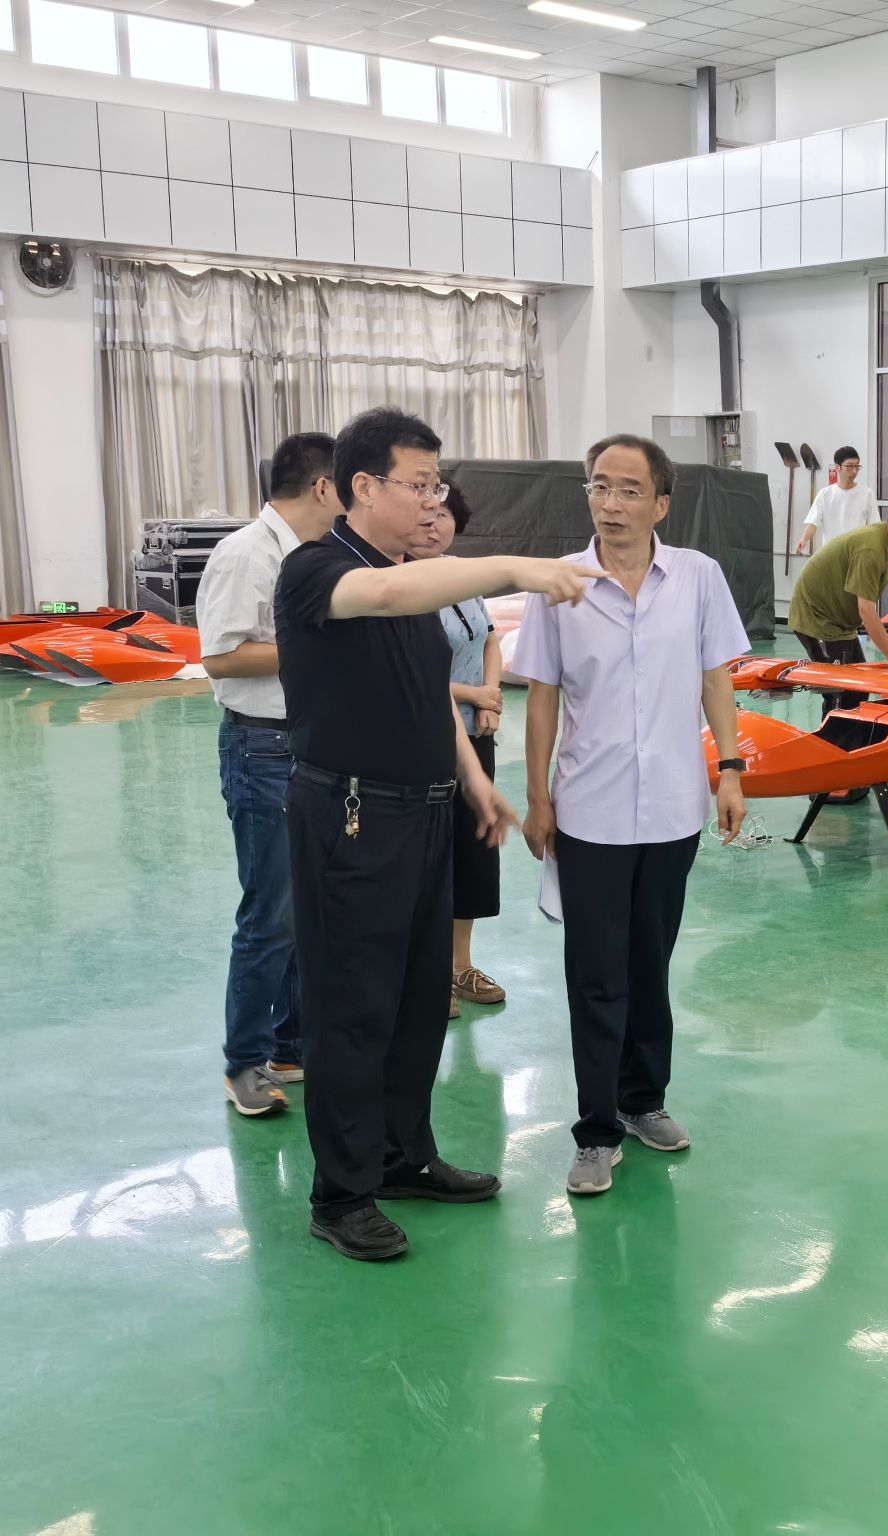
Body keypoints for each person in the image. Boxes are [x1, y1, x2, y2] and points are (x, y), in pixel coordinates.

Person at [274, 406, 604, 1262]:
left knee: (420, 1001)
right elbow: (385, 599)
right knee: (353, 1009)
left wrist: (475, 781)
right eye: (418, 484)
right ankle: (341, 1195)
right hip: (352, 819)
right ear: (362, 487)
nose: (432, 500)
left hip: (424, 811)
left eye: (436, 484)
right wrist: (517, 568)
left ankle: (401, 1158)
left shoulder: (408, 575)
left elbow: (427, 695)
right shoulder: (318, 570)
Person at [516, 433, 750, 1199]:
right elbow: (542, 695)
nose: (609, 503)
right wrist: (539, 797)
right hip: (590, 810)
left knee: (650, 964)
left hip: (675, 807)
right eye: (598, 486)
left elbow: (715, 679)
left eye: (627, 490)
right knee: (595, 976)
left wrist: (731, 770)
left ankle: (643, 1100)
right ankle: (595, 1131)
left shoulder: (698, 577)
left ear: (661, 503)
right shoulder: (559, 583)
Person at [197, 431, 340, 1117]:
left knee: (306, 908)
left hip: (309, 745)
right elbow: (221, 657)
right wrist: (320, 647)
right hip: (262, 749)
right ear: (322, 487)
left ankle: (290, 1044)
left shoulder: (312, 556)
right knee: (270, 914)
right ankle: (244, 1062)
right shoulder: (246, 555)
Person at [421, 484, 506, 1022]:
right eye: (426, 514)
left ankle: (460, 966)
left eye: (445, 515)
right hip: (426, 738)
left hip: (476, 735)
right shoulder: (400, 582)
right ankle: (427, 974)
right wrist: (473, 694)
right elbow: (408, 672)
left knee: (471, 854)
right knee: (429, 858)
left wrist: (490, 695)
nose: (435, 525)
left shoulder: (460, 575)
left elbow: (490, 637)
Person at [786, 493, 888, 716]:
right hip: (818, 618)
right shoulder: (871, 549)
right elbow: (866, 610)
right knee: (843, 691)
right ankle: (834, 735)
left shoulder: (886, 544)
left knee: (858, 688)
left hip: (840, 622)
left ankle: (848, 733)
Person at [793, 445, 877, 556]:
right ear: (838, 467)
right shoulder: (825, 494)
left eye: (857, 466)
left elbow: (874, 526)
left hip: (857, 555)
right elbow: (812, 522)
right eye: (849, 466)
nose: (854, 471)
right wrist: (804, 539)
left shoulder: (867, 494)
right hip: (831, 555)